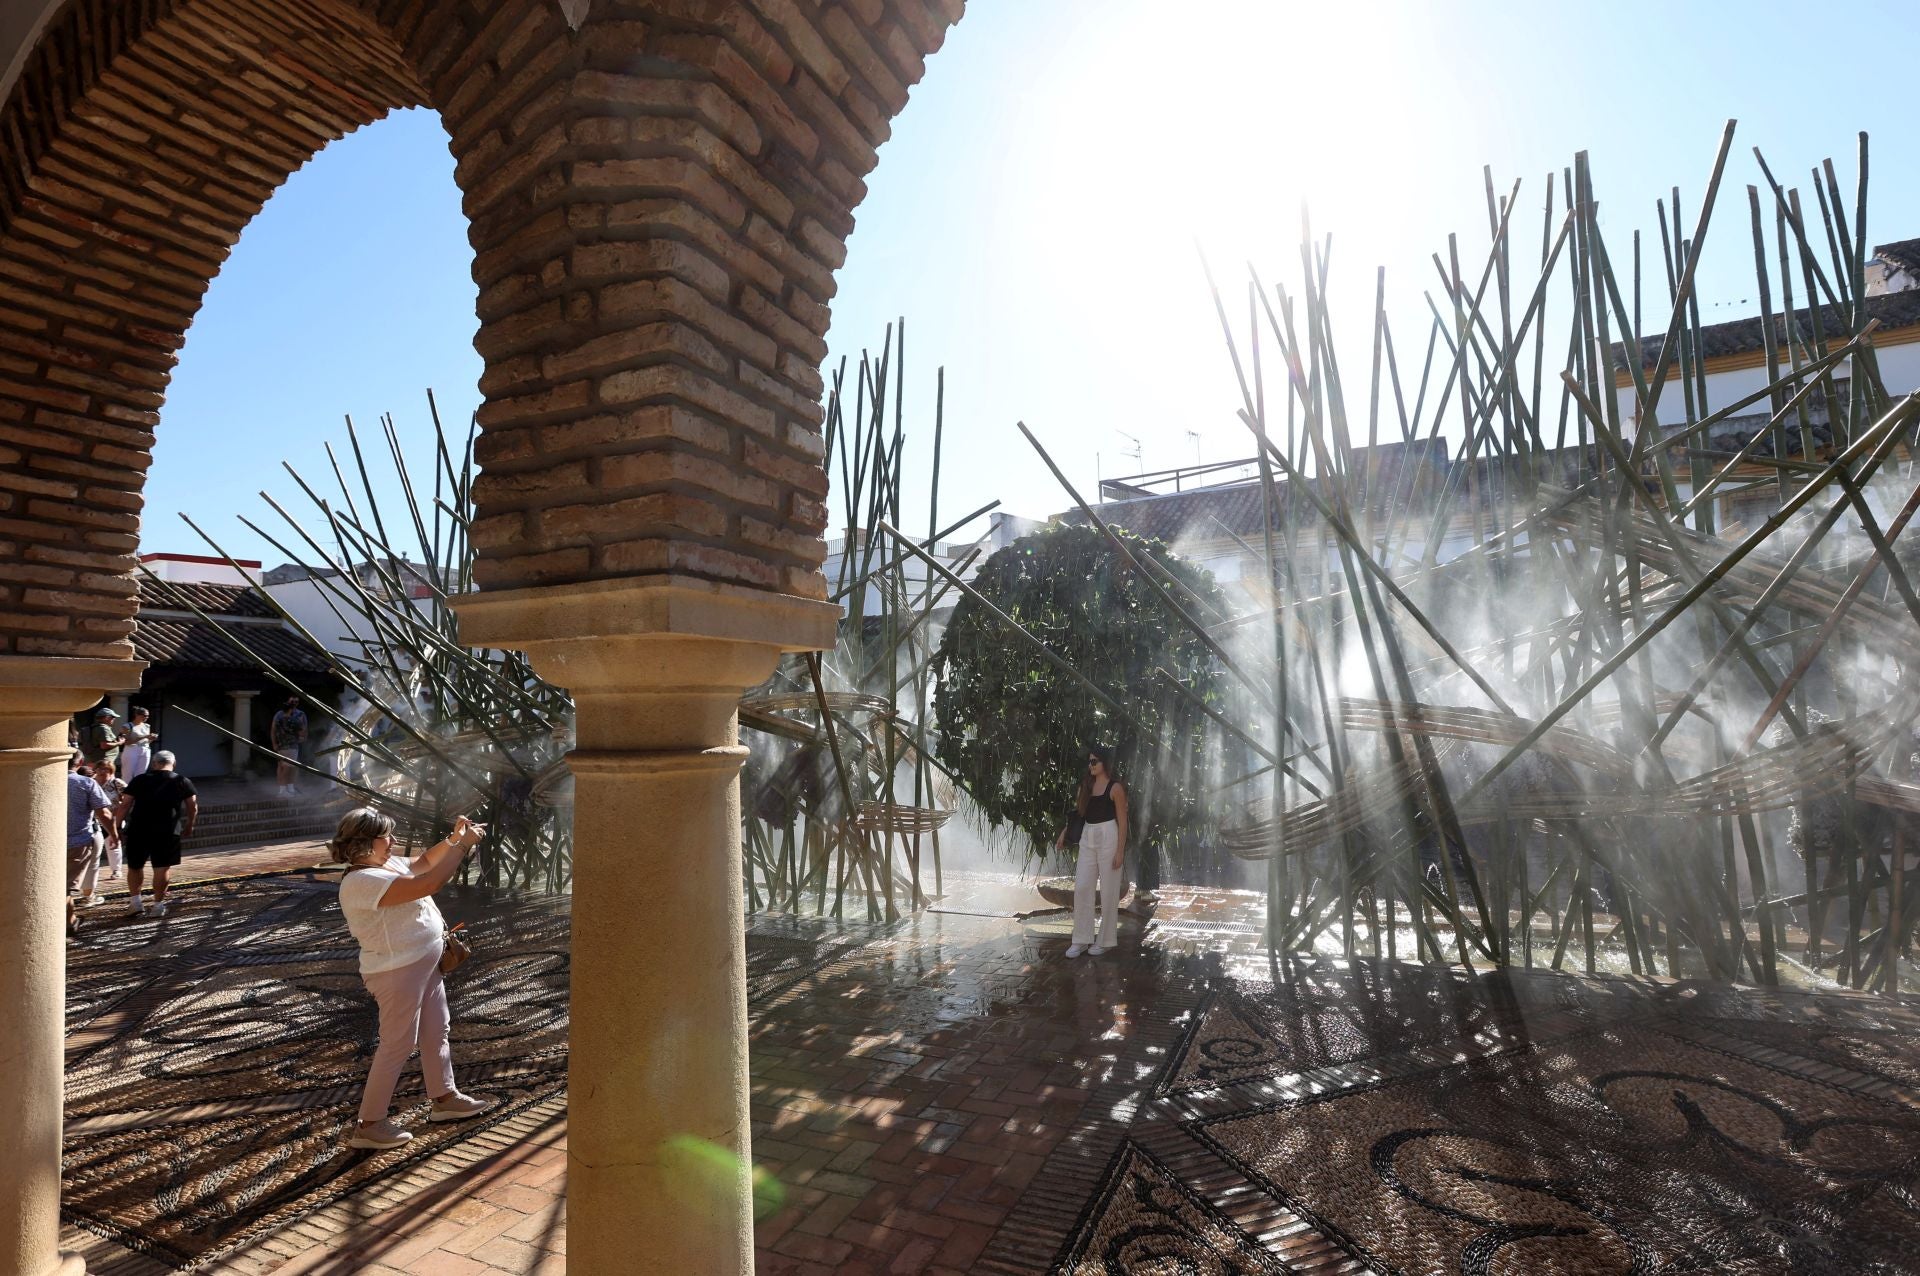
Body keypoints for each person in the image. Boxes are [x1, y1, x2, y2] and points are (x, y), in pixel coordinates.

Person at [329, 807, 494, 1150]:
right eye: (385, 836)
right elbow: (429, 882)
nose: (392, 841)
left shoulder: (381, 865)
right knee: (397, 1044)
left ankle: (445, 1099)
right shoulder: (360, 882)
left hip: (423, 962)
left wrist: (454, 839)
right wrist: (464, 848)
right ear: (364, 841)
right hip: (397, 972)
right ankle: (369, 1123)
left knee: (437, 1031)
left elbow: (423, 864)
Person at [1056, 745, 1129, 958]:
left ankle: (1105, 941)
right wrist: (1064, 832)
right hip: (1088, 836)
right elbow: (1079, 814)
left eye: (1094, 761)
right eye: (1089, 762)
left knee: (1109, 891)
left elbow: (1123, 822)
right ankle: (1080, 939)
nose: (1091, 765)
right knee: (1082, 887)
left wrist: (1120, 851)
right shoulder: (1086, 785)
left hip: (1109, 835)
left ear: (1104, 763)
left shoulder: (1115, 788)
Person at [117, 750, 197, 918]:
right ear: (173, 764)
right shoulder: (182, 781)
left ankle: (136, 902)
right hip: (168, 831)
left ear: (154, 764)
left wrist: (117, 827)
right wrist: (189, 824)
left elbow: (125, 805)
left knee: (135, 866)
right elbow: (192, 806)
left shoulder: (139, 779)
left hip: (139, 828)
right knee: (161, 868)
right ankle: (158, 905)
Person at [66, 753, 115, 932]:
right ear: (79, 763)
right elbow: (105, 814)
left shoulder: (44, 779)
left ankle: (70, 920)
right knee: (64, 888)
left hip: (47, 843)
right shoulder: (86, 783)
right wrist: (115, 835)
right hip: (77, 842)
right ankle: (69, 923)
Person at [90, 760, 127, 881]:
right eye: (99, 769)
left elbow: (129, 799)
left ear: (111, 771)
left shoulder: (117, 783)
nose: (102, 771)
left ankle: (116, 870)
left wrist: (120, 810)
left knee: (113, 843)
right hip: (95, 819)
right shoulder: (92, 783)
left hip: (114, 818)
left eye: (105, 769)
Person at [271, 695, 308, 797]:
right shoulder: (292, 719)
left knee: (287, 767)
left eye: (296, 702)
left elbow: (275, 730)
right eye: (293, 702)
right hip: (290, 746)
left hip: (283, 746)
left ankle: (287, 788)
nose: (295, 704)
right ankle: (283, 790)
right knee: (286, 768)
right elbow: (302, 730)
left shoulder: (282, 717)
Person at [120, 706, 156, 781]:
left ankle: (137, 791)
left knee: (141, 774)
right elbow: (126, 742)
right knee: (127, 774)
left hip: (145, 749)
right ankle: (125, 790)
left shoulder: (147, 726)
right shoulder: (128, 726)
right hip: (131, 749)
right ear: (137, 715)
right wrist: (145, 736)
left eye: (148, 716)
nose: (146, 717)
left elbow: (147, 742)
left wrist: (151, 739)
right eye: (144, 715)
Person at [81, 706, 121, 773]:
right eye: (113, 717)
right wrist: (119, 743)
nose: (114, 719)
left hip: (94, 758)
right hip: (103, 761)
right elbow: (104, 745)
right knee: (103, 778)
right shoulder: (103, 728)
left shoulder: (93, 727)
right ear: (107, 718)